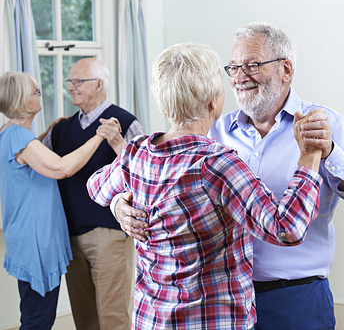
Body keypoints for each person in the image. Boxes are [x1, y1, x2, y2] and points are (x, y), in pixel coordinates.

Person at [113, 22, 344, 329]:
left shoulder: (324, 125)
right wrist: (120, 205)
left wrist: (330, 152)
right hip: (218, 302)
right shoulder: (210, 133)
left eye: (252, 65)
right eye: (233, 67)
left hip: (294, 300)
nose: (240, 77)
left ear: (286, 69)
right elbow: (142, 181)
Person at [87, 42, 323, 330]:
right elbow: (286, 228)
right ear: (213, 100)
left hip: (151, 320)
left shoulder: (136, 153)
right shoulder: (216, 164)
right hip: (211, 322)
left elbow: (95, 187)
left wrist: (117, 203)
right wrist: (309, 158)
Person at [41, 58, 144, 330]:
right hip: (69, 235)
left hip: (108, 235)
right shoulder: (61, 128)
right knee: (84, 319)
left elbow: (145, 173)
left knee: (113, 318)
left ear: (99, 84)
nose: (70, 87)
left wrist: (118, 143)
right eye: (69, 81)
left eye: (78, 81)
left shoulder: (125, 121)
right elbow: (37, 162)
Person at [0, 71, 105, 329]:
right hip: (35, 241)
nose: (39, 95)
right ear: (19, 100)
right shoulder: (19, 137)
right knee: (39, 320)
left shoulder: (9, 133)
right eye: (35, 91)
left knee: (34, 314)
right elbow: (61, 168)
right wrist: (99, 136)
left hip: (25, 236)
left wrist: (46, 132)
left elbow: (27, 165)